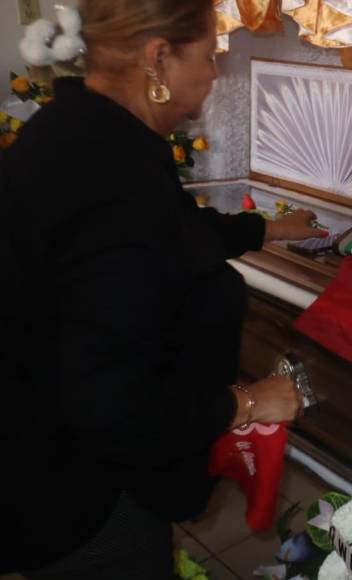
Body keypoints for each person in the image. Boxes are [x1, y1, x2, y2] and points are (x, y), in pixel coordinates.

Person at [0, 1, 326, 577]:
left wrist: (272, 228)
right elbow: (114, 407)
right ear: (158, 59)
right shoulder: (112, 174)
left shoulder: (83, 130)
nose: (214, 74)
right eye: (209, 55)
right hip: (82, 498)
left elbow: (173, 229)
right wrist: (247, 402)